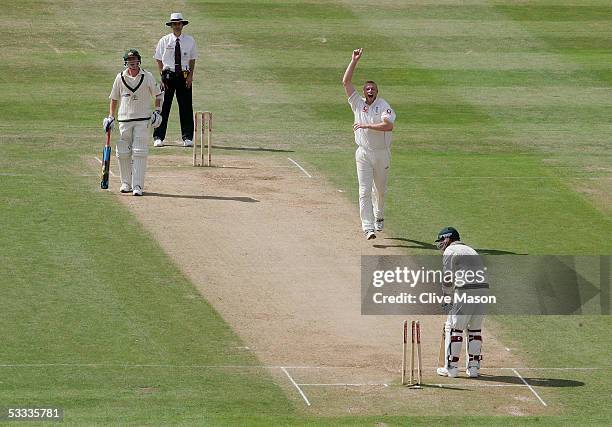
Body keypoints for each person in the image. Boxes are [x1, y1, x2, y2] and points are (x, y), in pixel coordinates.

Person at [342, 48, 396, 240]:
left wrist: (365, 124)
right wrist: (354, 60)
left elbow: (388, 126)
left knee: (380, 190)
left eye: (373, 89)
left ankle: (379, 215)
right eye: (367, 89)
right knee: (364, 190)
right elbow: (346, 82)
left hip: (382, 154)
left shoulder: (384, 105)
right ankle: (368, 227)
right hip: (363, 153)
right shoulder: (357, 103)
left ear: (377, 92)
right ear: (364, 92)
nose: (370, 91)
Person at [103, 49, 163, 196]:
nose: (133, 63)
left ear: (139, 61)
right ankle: (126, 183)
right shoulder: (120, 77)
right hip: (124, 119)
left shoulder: (147, 76)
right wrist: (111, 116)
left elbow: (158, 95)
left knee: (140, 151)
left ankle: (137, 186)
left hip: (143, 119)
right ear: (126, 62)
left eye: (135, 60)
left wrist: (157, 111)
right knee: (123, 151)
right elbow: (114, 98)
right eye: (130, 60)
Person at [435, 227, 489, 378]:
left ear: (448, 239)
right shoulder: (471, 250)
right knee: (475, 329)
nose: (440, 245)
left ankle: (451, 368)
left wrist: (447, 297)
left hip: (465, 290)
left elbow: (447, 277)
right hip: (483, 290)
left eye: (441, 241)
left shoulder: (450, 251)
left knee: (454, 328)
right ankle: (473, 368)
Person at [153, 12, 198, 147]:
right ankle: (158, 136)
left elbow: (192, 59)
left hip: (184, 76)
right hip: (168, 76)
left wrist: (190, 76)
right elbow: (158, 59)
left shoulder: (190, 40)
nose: (177, 26)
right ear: (171, 25)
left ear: (182, 25)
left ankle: (187, 137)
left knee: (186, 107)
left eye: (179, 24)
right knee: (164, 107)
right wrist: (161, 75)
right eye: (174, 24)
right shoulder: (164, 40)